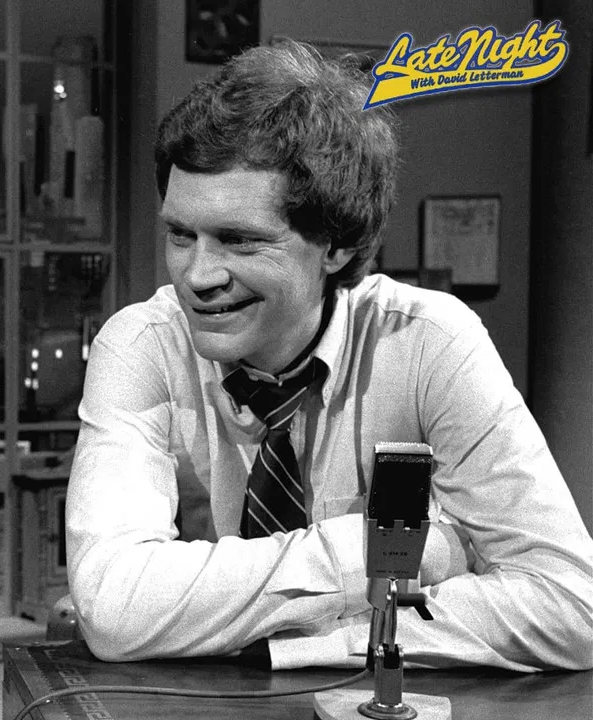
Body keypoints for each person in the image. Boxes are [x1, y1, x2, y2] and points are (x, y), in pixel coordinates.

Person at [66, 39, 593, 672]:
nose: (197, 276)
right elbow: (115, 608)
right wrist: (380, 552)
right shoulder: (141, 345)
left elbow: (570, 606)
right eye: (181, 234)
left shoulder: (430, 343)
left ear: (336, 244)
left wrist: (320, 641)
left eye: (239, 240)